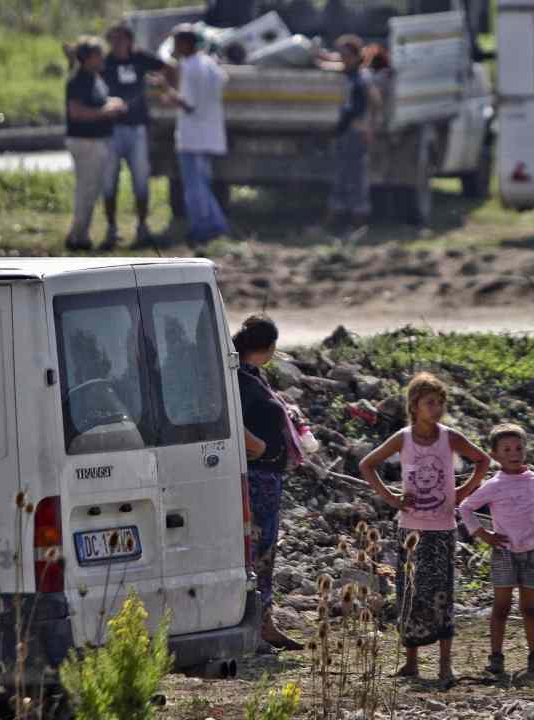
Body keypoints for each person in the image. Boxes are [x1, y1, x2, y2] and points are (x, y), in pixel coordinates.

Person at [360, 373, 491, 686]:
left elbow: (482, 460)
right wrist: (391, 497)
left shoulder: (450, 437)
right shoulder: (403, 438)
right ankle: (411, 663)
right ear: (414, 406)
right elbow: (368, 464)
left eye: (440, 403)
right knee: (411, 594)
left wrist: (463, 492)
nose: (437, 408)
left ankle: (446, 666)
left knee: (442, 595)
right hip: (411, 530)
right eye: (430, 402)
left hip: (443, 529)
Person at [458, 423, 534, 676]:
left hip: (531, 552)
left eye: (518, 448)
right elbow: (465, 507)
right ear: (495, 455)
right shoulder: (495, 485)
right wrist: (483, 535)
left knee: (529, 608)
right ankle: (496, 659)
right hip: (504, 552)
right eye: (506, 449)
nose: (514, 453)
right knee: (501, 607)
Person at [233, 315, 306, 652]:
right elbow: (231, 421)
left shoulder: (252, 376)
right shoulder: (238, 379)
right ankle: (255, 624)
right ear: (269, 348)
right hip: (257, 476)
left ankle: (264, 621)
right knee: (256, 550)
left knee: (264, 550)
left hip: (268, 476)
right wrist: (261, 448)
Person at [101, 23, 173, 249]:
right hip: (111, 129)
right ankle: (111, 229)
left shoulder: (140, 58)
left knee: (141, 179)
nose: (118, 44)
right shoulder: (104, 62)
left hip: (137, 128)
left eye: (122, 39)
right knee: (109, 180)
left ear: (130, 41)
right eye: (113, 40)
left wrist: (163, 87)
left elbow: (168, 68)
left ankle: (142, 226)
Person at [162, 25, 231, 245]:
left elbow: (189, 104)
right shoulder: (209, 63)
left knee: (194, 187)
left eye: (176, 42)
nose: (174, 47)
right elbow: (223, 80)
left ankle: (202, 228)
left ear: (186, 44)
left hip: (192, 136)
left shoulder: (190, 68)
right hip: (209, 133)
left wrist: (166, 90)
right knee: (202, 183)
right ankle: (217, 225)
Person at [64, 36, 127, 251]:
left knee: (91, 190)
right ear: (89, 58)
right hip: (86, 141)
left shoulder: (94, 78)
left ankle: (81, 234)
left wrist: (113, 103)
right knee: (86, 190)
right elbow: (77, 112)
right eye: (98, 54)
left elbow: (98, 101)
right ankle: (76, 238)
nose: (102, 58)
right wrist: (106, 111)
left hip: (98, 141)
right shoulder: (79, 79)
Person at [321, 35, 376, 235]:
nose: (342, 58)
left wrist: (365, 126)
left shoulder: (359, 79)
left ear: (354, 56)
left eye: (345, 54)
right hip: (348, 133)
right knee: (343, 176)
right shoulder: (353, 75)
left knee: (354, 178)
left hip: (354, 133)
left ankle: (357, 224)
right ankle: (342, 222)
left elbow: (361, 107)